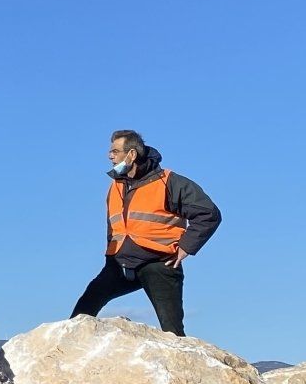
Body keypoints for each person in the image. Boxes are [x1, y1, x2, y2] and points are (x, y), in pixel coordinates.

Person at [70, 130, 220, 336]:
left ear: (131, 154)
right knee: (83, 311)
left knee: (172, 332)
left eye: (115, 151)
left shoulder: (169, 182)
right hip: (120, 265)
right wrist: (111, 258)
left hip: (159, 265)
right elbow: (116, 228)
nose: (109, 156)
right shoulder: (115, 185)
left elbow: (208, 213)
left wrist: (186, 247)